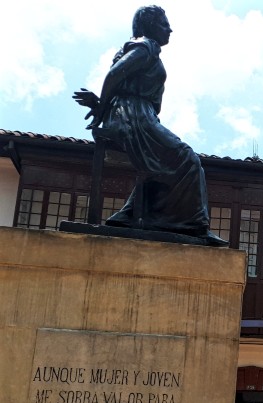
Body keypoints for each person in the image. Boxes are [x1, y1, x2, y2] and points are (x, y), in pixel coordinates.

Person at [72, 5, 226, 246]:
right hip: (132, 117)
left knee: (166, 163)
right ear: (150, 26)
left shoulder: (142, 46)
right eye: (164, 24)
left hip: (135, 114)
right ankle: (195, 226)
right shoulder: (146, 46)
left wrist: (104, 106)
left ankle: (129, 216)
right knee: (187, 159)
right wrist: (102, 108)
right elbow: (115, 74)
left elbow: (117, 78)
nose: (170, 29)